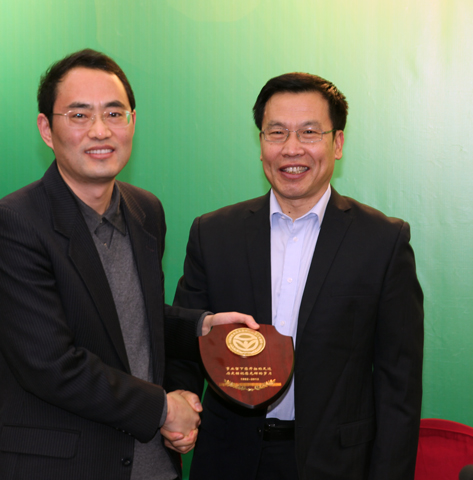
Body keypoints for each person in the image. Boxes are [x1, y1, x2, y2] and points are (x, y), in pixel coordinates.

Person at [0, 49, 255, 480]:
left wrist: (201, 327)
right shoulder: (14, 224)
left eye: (113, 113)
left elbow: (124, 318)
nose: (100, 130)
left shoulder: (146, 211)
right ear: (46, 129)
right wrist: (164, 409)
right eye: (79, 115)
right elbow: (50, 364)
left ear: (133, 122)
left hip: (152, 466)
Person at [170, 72, 424, 479]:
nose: (291, 149)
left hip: (336, 464)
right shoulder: (213, 234)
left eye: (309, 132)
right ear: (261, 143)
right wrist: (181, 399)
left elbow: (400, 384)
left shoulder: (382, 242)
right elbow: (186, 343)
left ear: (337, 143)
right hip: (228, 460)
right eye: (277, 132)